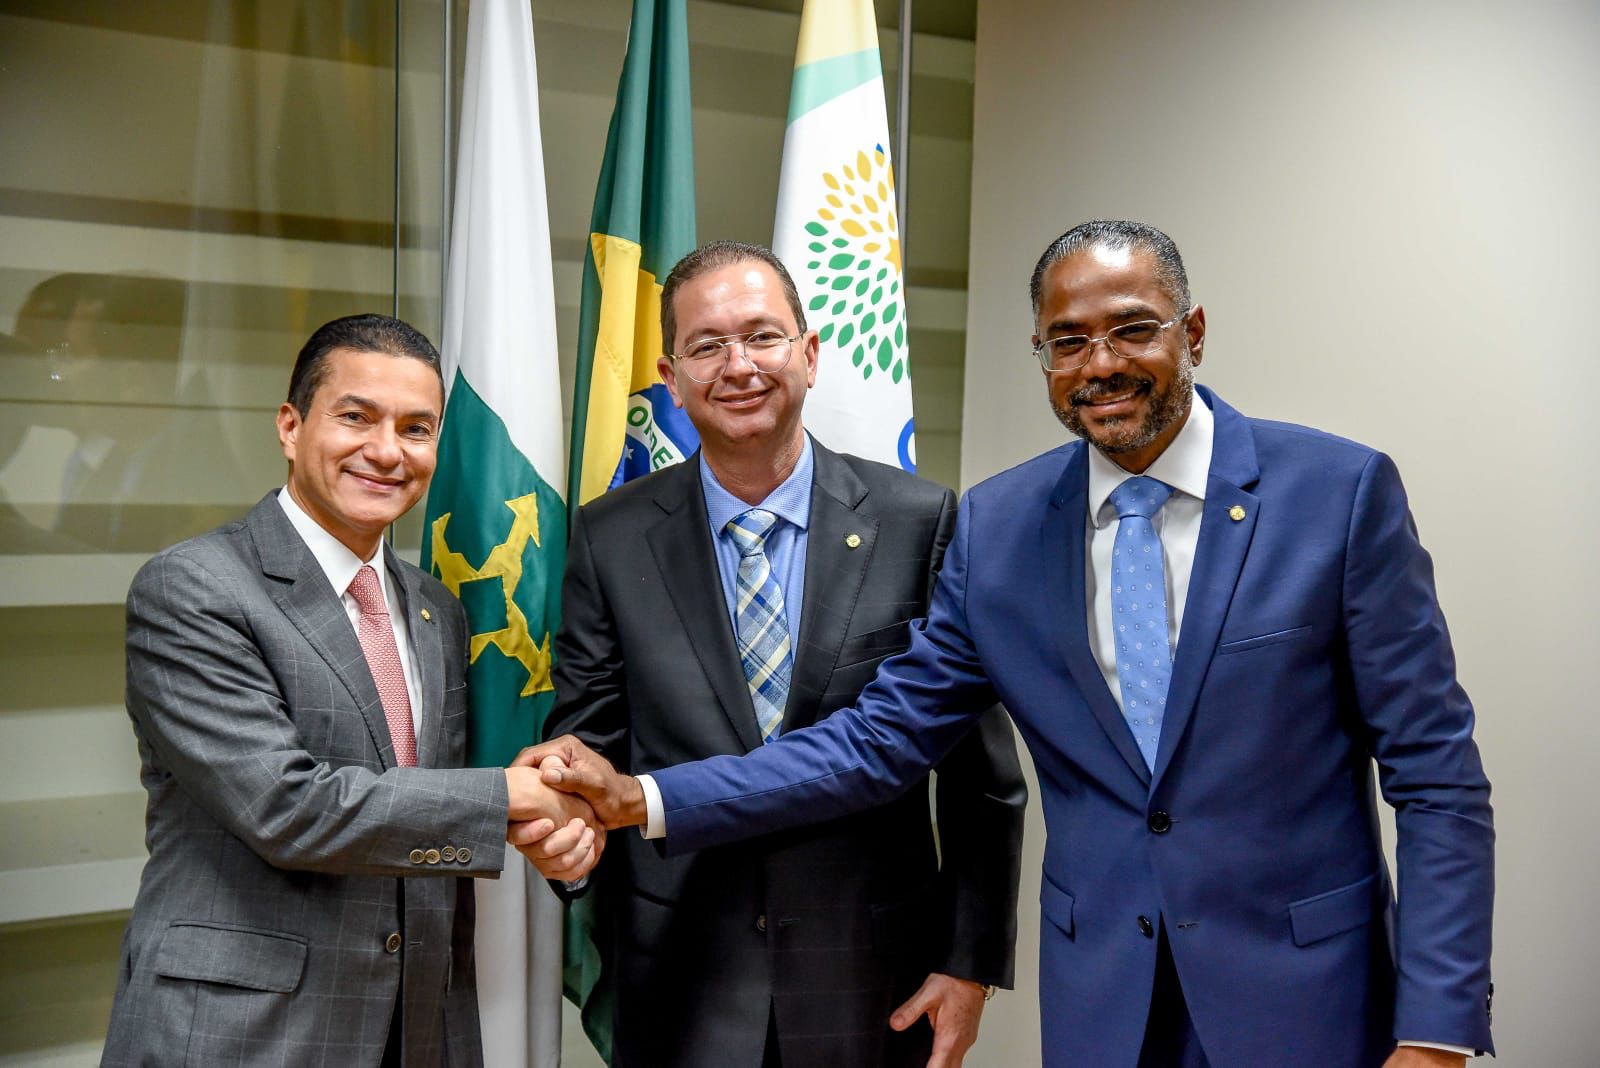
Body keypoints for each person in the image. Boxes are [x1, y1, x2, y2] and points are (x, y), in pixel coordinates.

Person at [519, 223, 1496, 1067]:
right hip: (1104, 1004)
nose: (1099, 364)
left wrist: (1437, 1027)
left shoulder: (1337, 494)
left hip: (1305, 1001)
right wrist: (643, 798)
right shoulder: (1001, 528)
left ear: (1192, 332)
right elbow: (876, 741)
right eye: (1067, 342)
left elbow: (1436, 777)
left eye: (1132, 329)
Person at [531, 241, 1026, 1068]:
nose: (739, 366)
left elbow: (979, 775)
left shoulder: (918, 522)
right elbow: (591, 742)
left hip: (873, 980)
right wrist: (570, 829)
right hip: (678, 976)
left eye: (763, 336)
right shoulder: (610, 536)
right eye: (707, 346)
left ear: (810, 354)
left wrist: (968, 962)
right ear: (671, 377)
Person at [103, 314, 598, 1067]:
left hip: (413, 1025)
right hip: (243, 1032)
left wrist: (549, 828)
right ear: (290, 426)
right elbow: (286, 807)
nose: (387, 451)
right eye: (356, 418)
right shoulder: (194, 588)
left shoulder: (436, 610)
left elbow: (419, 811)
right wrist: (508, 798)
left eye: (416, 428)